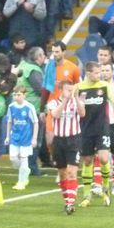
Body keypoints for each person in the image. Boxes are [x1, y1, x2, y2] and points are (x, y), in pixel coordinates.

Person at [77, 61, 112, 208]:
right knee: (87, 161)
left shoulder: (105, 86)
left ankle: (106, 190)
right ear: (88, 73)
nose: (100, 75)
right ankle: (86, 195)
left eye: (100, 72)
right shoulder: (78, 88)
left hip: (102, 127)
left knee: (104, 158)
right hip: (85, 129)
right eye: (97, 73)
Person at [48, 80, 85, 215]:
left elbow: (82, 114)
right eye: (67, 90)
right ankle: (67, 201)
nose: (70, 92)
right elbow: (55, 115)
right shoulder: (53, 103)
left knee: (71, 172)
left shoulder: (76, 102)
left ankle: (70, 203)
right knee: (62, 173)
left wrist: (75, 97)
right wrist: (64, 102)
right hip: (59, 141)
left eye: (71, 89)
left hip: (74, 140)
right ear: (61, 90)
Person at [4, 85, 38, 191]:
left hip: (26, 137)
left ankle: (21, 182)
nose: (16, 97)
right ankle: (25, 170)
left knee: (24, 159)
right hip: (15, 136)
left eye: (18, 95)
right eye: (14, 95)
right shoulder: (11, 107)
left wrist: (34, 138)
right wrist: (7, 136)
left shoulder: (29, 107)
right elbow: (9, 121)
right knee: (13, 158)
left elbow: (35, 122)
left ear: (24, 95)